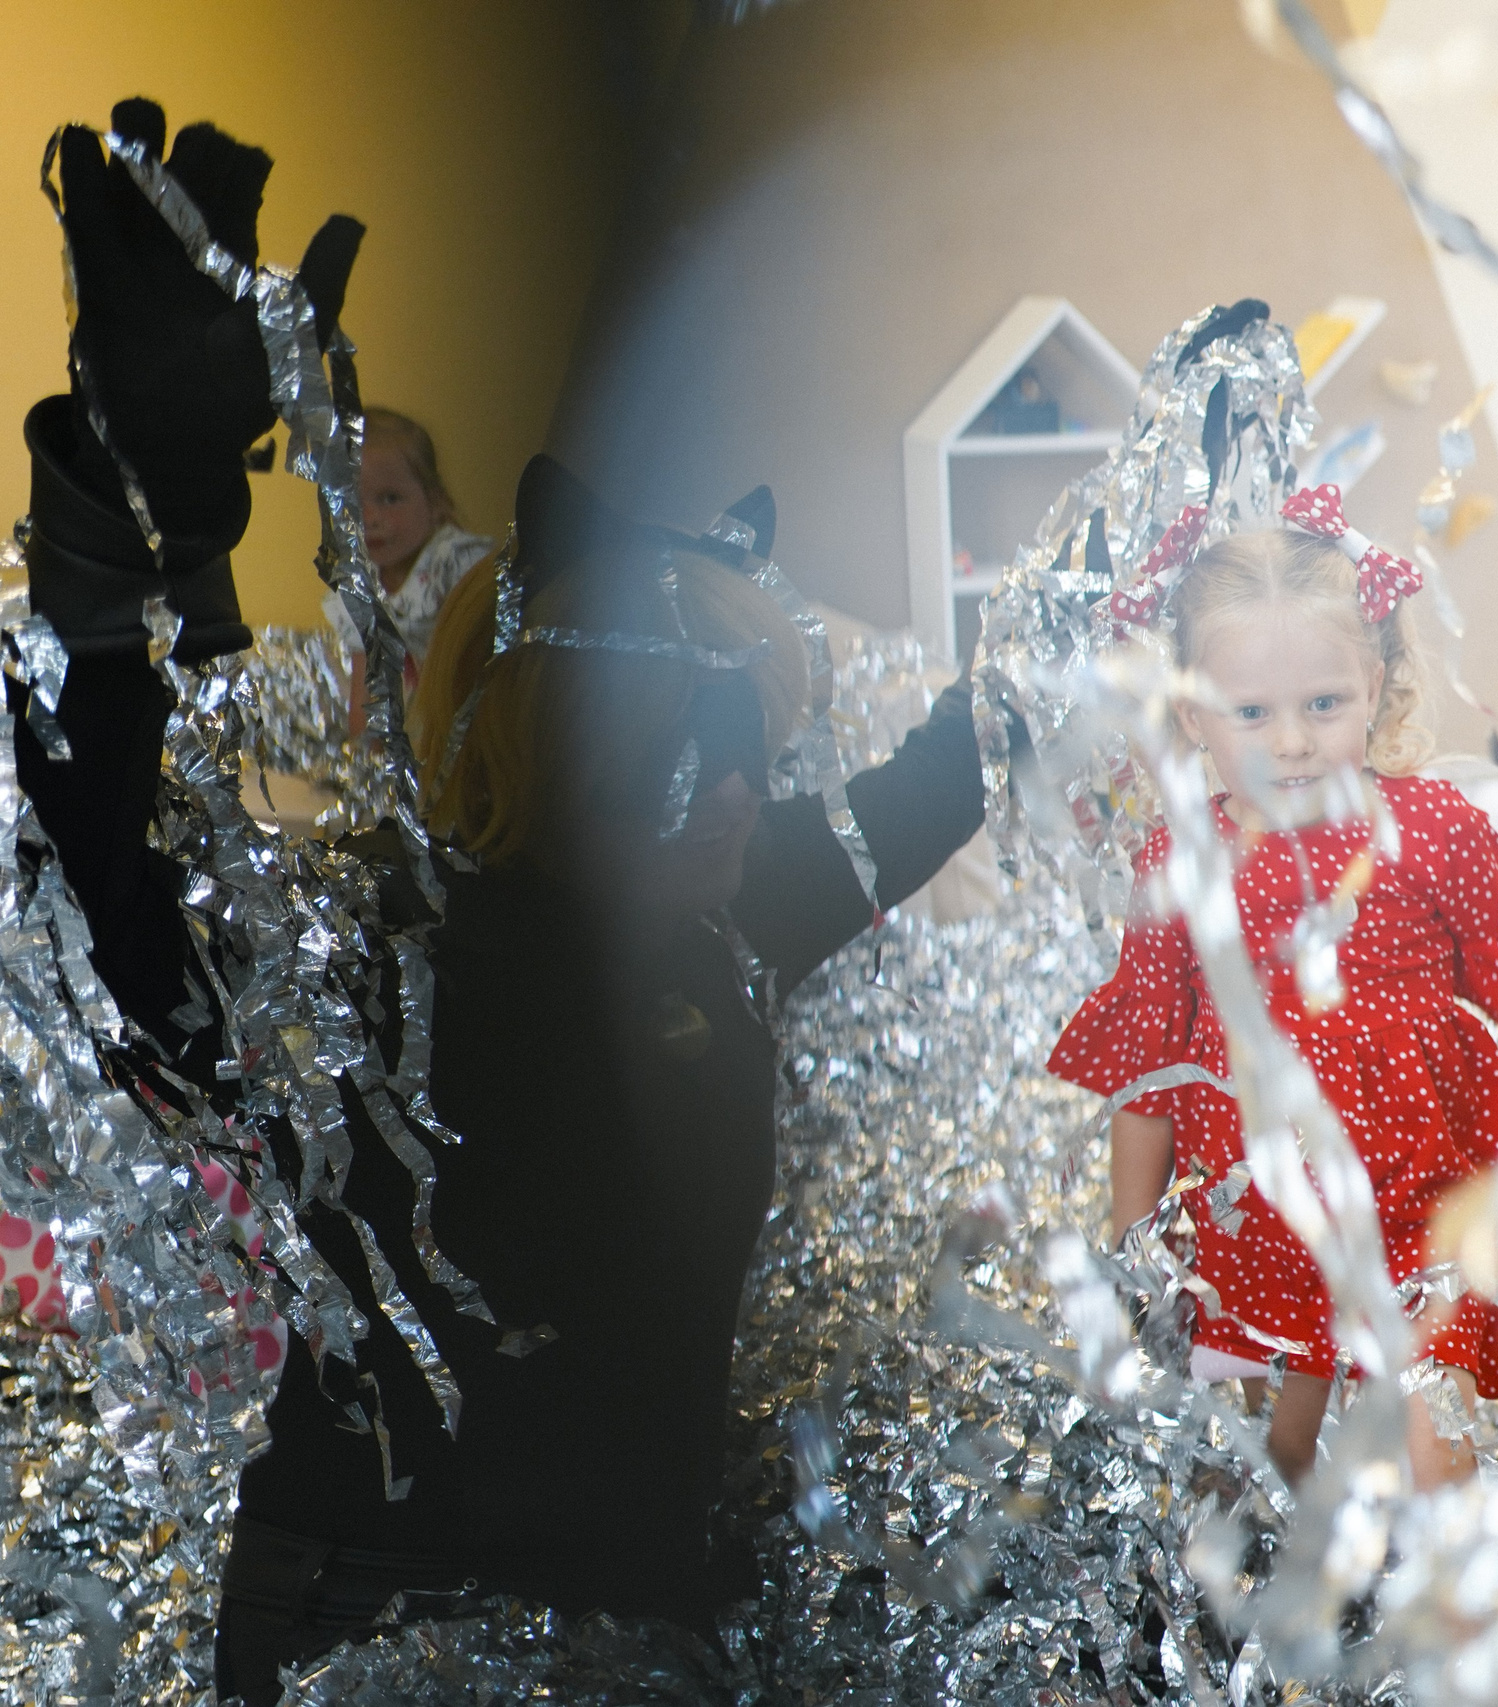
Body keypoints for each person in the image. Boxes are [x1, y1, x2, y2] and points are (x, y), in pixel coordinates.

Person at [11, 102, 992, 1703]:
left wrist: (1114, 631)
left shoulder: (726, 919)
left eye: (757, 745)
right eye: (698, 750)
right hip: (383, 1619)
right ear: (565, 750)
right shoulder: (403, 963)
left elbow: (916, 797)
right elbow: (134, 896)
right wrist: (125, 546)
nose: (747, 786)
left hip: (624, 1613)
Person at [1046, 490, 1498, 1490]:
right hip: (1256, 1218)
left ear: (1374, 684)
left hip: (1423, 1202)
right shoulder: (1183, 857)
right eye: (1252, 714)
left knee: (1432, 1448)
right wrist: (1133, 1247)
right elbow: (1149, 1070)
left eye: (1323, 705)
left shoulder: (1432, 829)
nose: (1289, 742)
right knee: (1249, 1464)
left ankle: (1445, 1614)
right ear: (1195, 715)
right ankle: (1239, 1609)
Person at [321, 406, 491, 703]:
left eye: (390, 498)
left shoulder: (455, 562)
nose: (370, 518)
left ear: (435, 501)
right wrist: (367, 746)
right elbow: (367, 687)